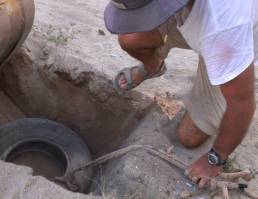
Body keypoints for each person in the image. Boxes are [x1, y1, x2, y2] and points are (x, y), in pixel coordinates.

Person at [104, 0, 257, 188]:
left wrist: (215, 159)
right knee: (132, 38)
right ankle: (154, 66)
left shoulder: (223, 28)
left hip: (223, 45)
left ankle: (217, 74)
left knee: (189, 137)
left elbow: (242, 104)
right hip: (187, 16)